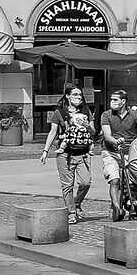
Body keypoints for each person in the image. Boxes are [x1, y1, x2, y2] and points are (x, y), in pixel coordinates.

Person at [43, 86, 94, 222]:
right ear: (67, 96)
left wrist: (87, 125)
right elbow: (52, 132)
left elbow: (94, 132)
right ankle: (71, 212)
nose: (79, 97)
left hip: (82, 153)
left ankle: (76, 203)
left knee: (85, 182)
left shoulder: (86, 111)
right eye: (75, 94)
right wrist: (45, 151)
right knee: (67, 185)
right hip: (64, 153)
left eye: (80, 95)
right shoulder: (59, 113)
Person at [99, 88, 137, 207]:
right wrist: (116, 142)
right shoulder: (106, 115)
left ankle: (128, 200)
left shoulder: (134, 114)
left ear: (123, 101)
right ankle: (116, 208)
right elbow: (107, 135)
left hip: (129, 152)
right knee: (115, 180)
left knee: (133, 181)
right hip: (111, 152)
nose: (112, 102)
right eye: (111, 99)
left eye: (115, 100)